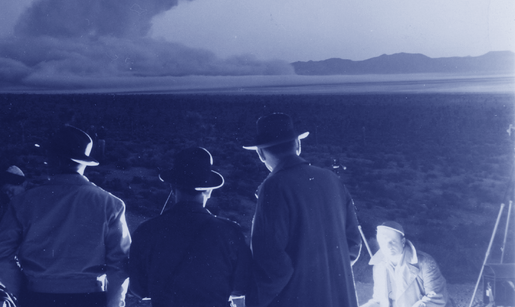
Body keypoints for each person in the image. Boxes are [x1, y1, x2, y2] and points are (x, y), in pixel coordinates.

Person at [0, 125, 131, 307]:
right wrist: (114, 304)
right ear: (84, 161)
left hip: (37, 296)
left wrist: (21, 291)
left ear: (53, 158)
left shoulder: (24, 202)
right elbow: (119, 265)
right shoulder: (111, 204)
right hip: (91, 298)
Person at [243, 112, 362, 307]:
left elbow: (270, 260)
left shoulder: (274, 186)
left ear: (260, 153)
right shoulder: (331, 179)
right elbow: (353, 243)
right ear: (298, 144)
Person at [129, 147, 257, 307]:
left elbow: (138, 289)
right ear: (209, 190)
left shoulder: (146, 230)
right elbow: (241, 287)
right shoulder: (231, 232)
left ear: (172, 187)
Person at [359, 221, 449, 307]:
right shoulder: (378, 266)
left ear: (402, 241)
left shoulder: (424, 262)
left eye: (392, 241)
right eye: (383, 242)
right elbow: (379, 301)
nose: (388, 246)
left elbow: (436, 298)